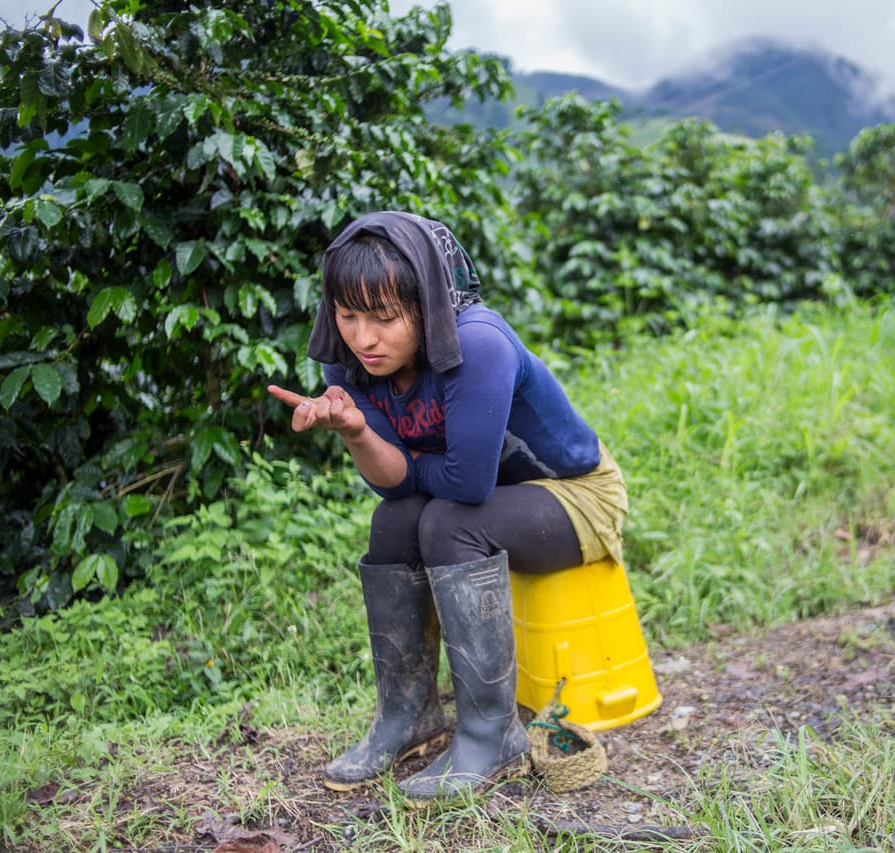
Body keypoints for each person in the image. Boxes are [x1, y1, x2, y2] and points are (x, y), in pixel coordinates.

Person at [267, 211, 628, 803]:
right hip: (488, 499)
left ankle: (492, 735)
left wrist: (411, 470)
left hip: (577, 495)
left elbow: (465, 485)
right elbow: (395, 490)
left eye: (384, 318)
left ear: (427, 305)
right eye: (348, 315)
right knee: (393, 522)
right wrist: (358, 431)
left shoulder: (476, 344)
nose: (363, 338)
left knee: (446, 519)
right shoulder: (349, 362)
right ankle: (408, 718)